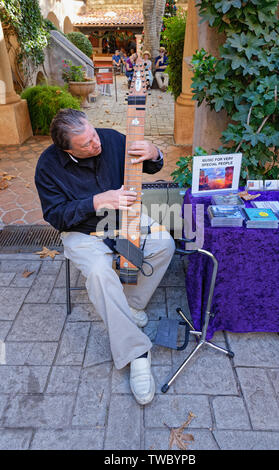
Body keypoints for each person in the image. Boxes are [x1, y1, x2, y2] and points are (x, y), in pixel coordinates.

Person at [34, 108, 175, 406]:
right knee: (99, 271)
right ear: (66, 149)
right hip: (82, 231)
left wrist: (154, 152)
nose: (96, 144)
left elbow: (149, 167)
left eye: (94, 135)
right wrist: (97, 201)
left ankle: (130, 306)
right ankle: (136, 353)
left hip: (124, 219)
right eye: (86, 144)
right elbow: (57, 216)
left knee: (164, 243)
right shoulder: (47, 167)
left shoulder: (110, 140)